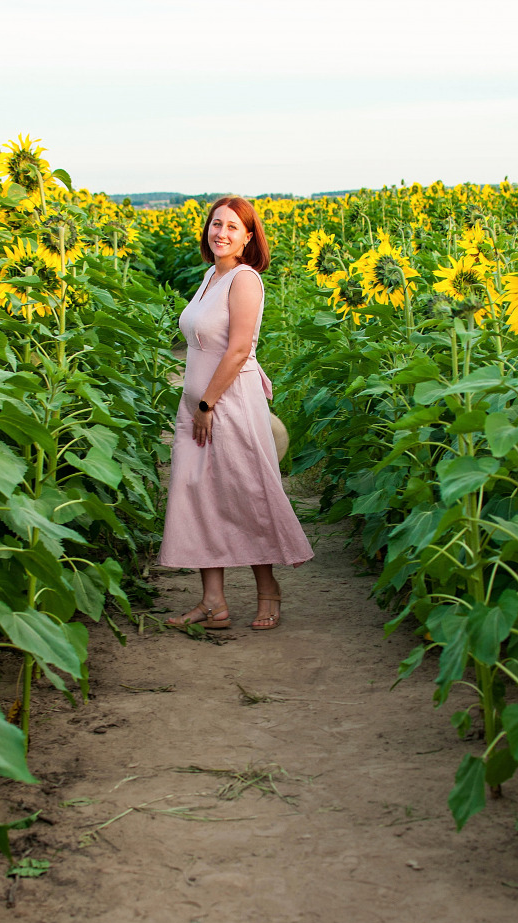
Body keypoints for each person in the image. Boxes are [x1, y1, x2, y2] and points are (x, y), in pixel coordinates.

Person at [159, 196, 313, 630]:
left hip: (227, 402)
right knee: (197, 494)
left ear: (248, 237)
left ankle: (268, 590)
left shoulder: (244, 280)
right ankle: (213, 603)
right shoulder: (211, 275)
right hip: (197, 407)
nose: (220, 233)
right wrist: (196, 405)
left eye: (231, 227)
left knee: (244, 492)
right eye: (215, 224)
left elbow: (240, 348)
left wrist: (207, 403)